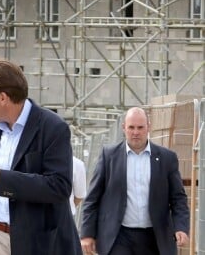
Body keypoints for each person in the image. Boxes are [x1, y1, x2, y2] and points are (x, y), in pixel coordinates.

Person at [0, 57, 81, 255]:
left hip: (37, 243)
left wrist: (1, 177)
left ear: (3, 98)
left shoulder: (53, 128)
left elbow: (59, 186)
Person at [80, 107, 189, 255]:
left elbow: (178, 198)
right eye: (131, 127)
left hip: (155, 237)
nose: (136, 132)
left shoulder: (167, 158)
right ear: (124, 128)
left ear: (148, 127)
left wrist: (181, 227)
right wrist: (87, 234)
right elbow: (92, 198)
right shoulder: (109, 156)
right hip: (119, 236)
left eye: (140, 127)